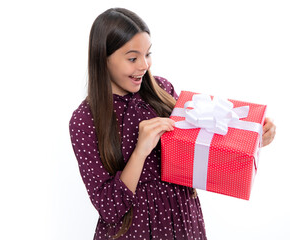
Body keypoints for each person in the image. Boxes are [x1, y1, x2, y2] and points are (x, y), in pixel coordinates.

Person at [69, 8, 276, 240]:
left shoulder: (162, 90)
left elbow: (196, 155)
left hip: (183, 221)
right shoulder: (85, 120)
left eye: (148, 54)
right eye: (132, 58)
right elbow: (109, 208)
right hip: (131, 232)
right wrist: (141, 151)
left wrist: (252, 143)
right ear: (103, 58)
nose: (144, 65)